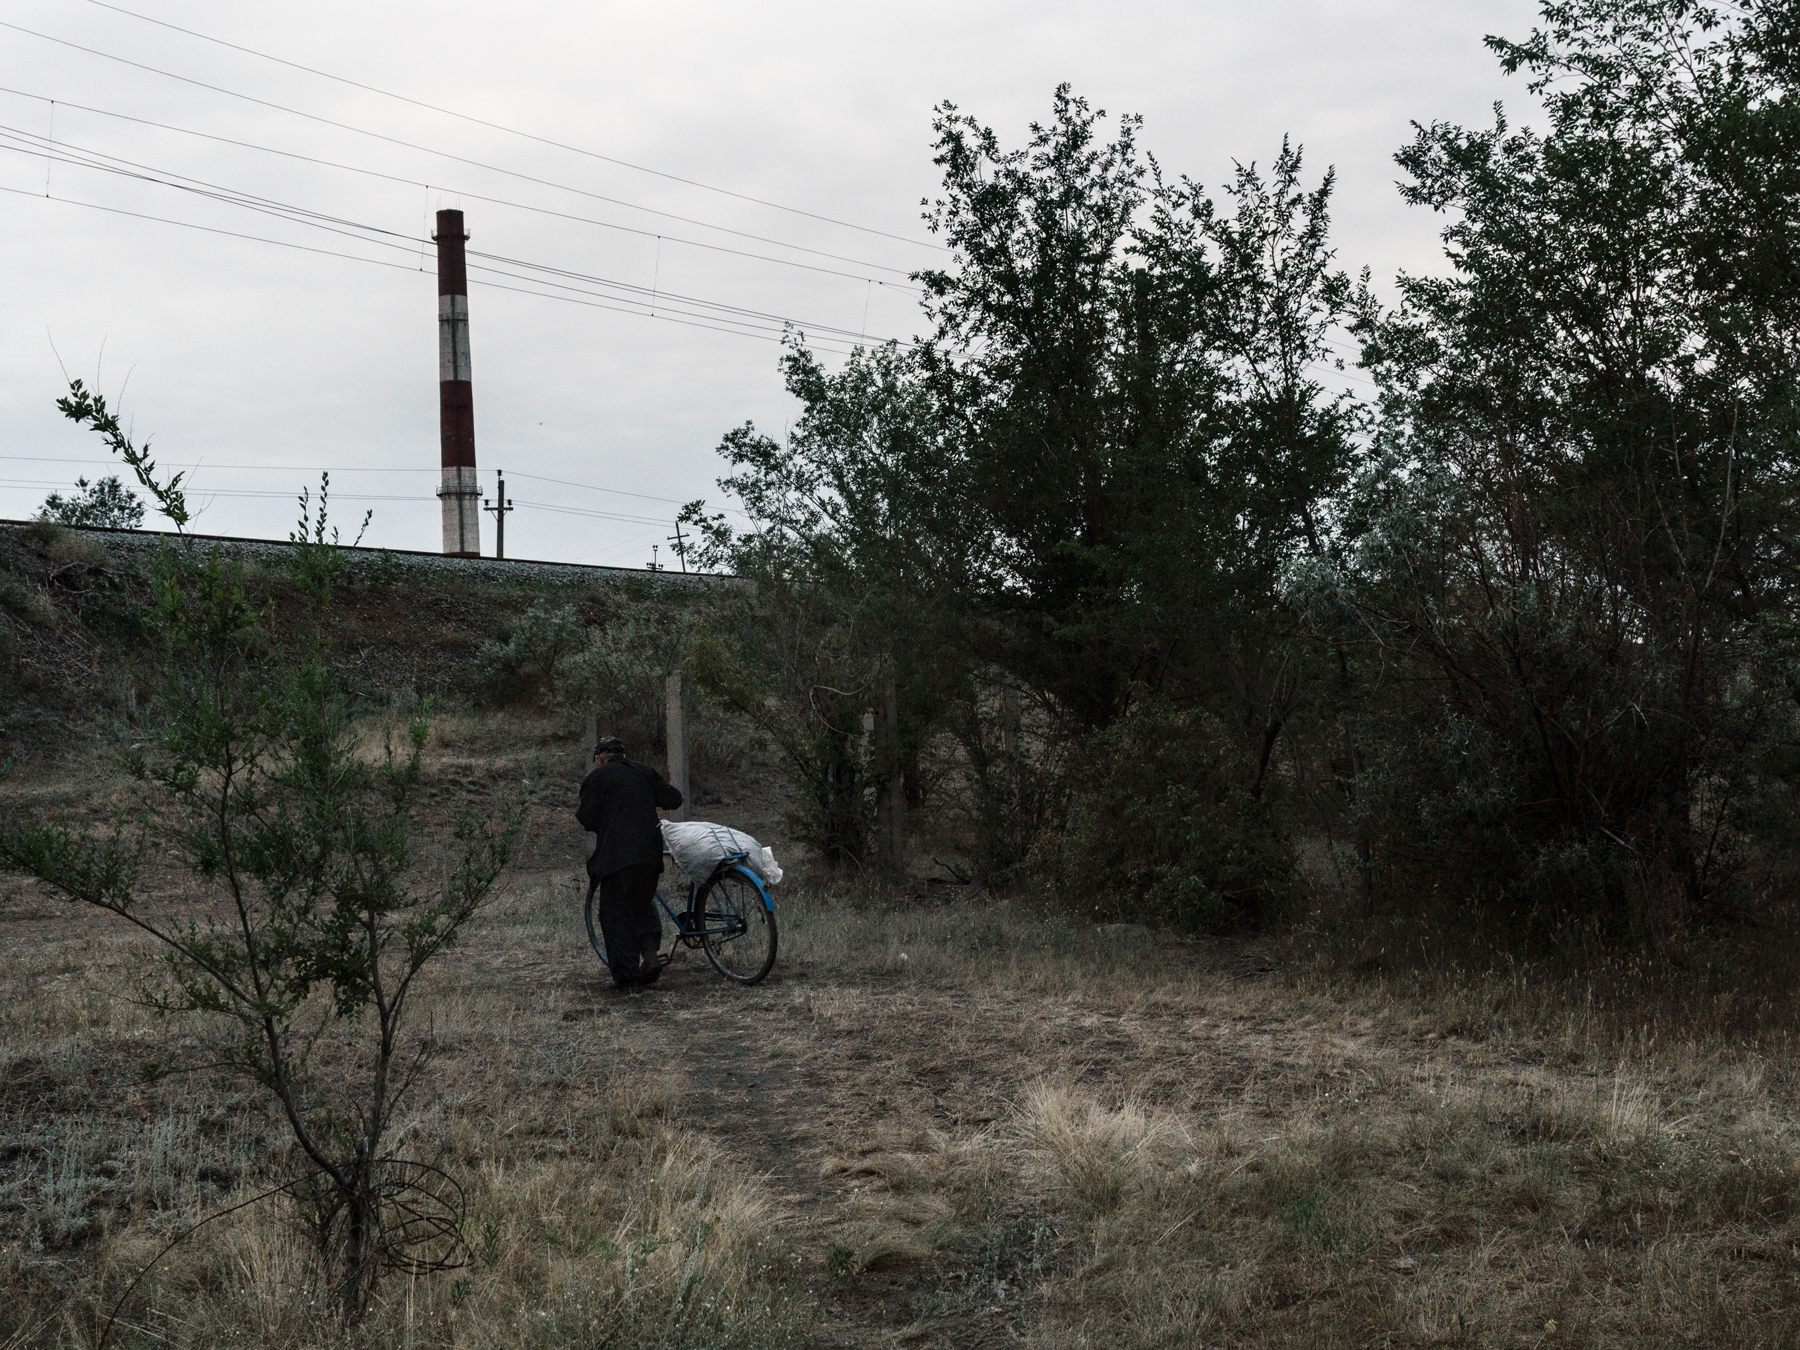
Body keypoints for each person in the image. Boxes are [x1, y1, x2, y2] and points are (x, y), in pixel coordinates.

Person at [577, 735, 684, 987]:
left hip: (617, 858)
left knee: (615, 915)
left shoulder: (597, 778)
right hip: (649, 853)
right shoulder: (643, 771)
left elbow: (585, 818)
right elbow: (674, 799)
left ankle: (626, 978)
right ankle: (649, 956)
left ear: (600, 758)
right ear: (623, 754)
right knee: (641, 906)